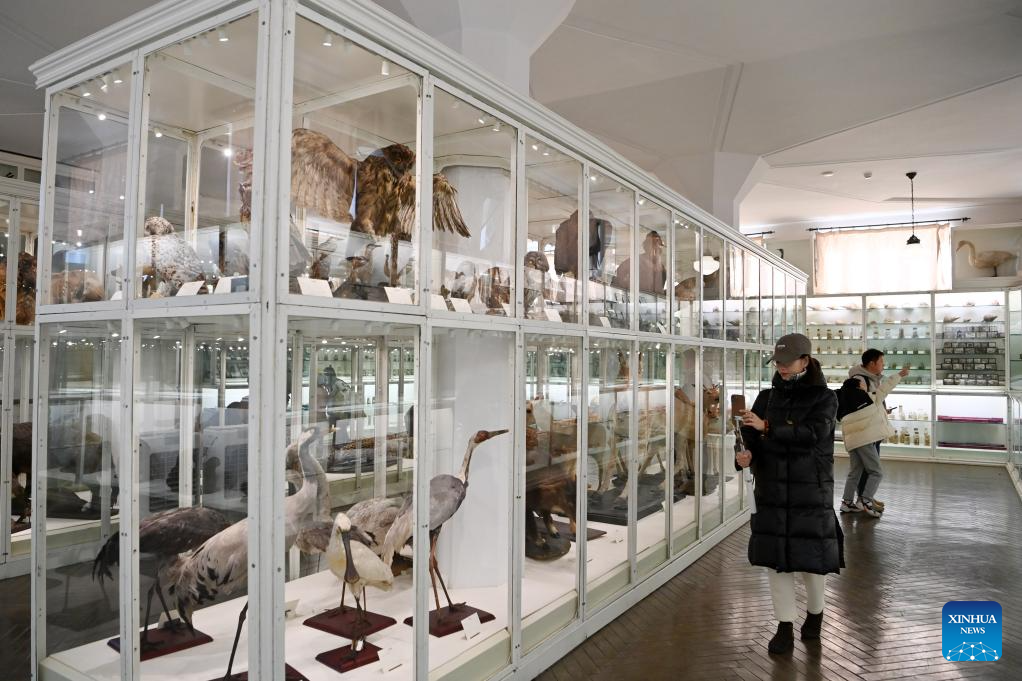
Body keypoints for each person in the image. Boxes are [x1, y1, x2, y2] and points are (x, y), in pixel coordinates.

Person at [735, 333, 843, 655]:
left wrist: (767, 428)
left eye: (787, 361)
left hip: (811, 490)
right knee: (776, 561)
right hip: (771, 490)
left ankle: (815, 614)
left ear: (805, 361)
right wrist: (745, 455)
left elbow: (813, 433)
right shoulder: (766, 397)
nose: (781, 367)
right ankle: (784, 626)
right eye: (777, 362)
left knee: (812, 560)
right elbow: (749, 436)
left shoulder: (826, 398)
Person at [836, 365, 908, 517]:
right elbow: (885, 388)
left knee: (855, 472)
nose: (865, 386)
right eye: (862, 385)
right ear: (858, 387)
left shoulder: (844, 402)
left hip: (852, 442)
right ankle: (866, 500)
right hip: (864, 440)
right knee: (876, 472)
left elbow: (864, 414)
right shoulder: (868, 397)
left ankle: (847, 502)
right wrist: (899, 375)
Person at [847, 349, 893, 512]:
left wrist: (882, 411)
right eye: (881, 362)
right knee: (870, 468)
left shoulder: (872, 378)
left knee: (867, 466)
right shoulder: (860, 380)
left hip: (873, 428)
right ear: (872, 363)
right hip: (866, 430)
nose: (883, 365)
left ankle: (866, 497)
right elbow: (863, 405)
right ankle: (864, 499)